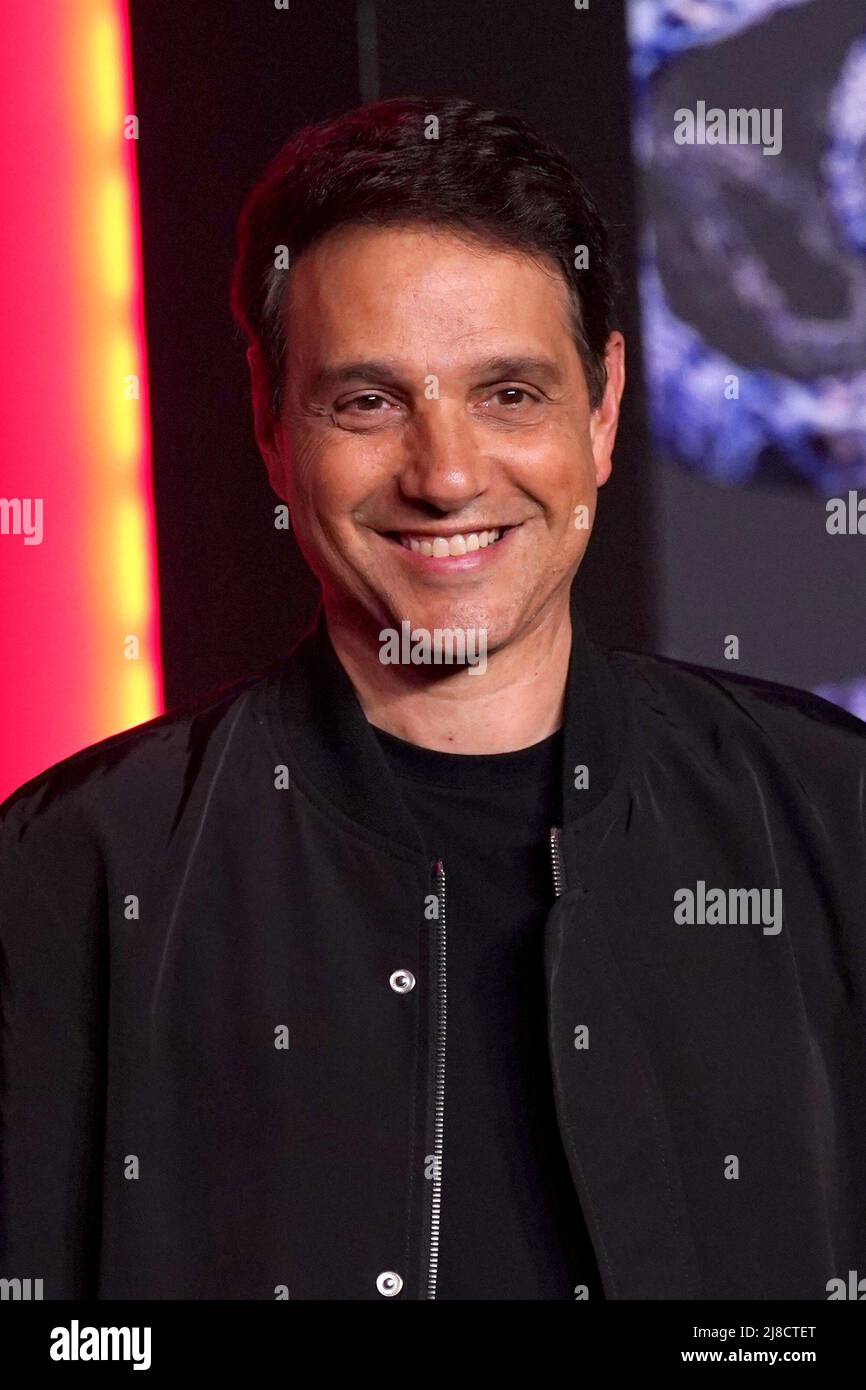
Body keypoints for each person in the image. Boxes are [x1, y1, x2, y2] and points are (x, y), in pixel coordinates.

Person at [2, 94, 865, 1302]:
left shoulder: (830, 815)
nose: (446, 475)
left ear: (603, 407)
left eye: (506, 393)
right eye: (368, 401)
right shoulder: (74, 873)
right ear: (268, 424)